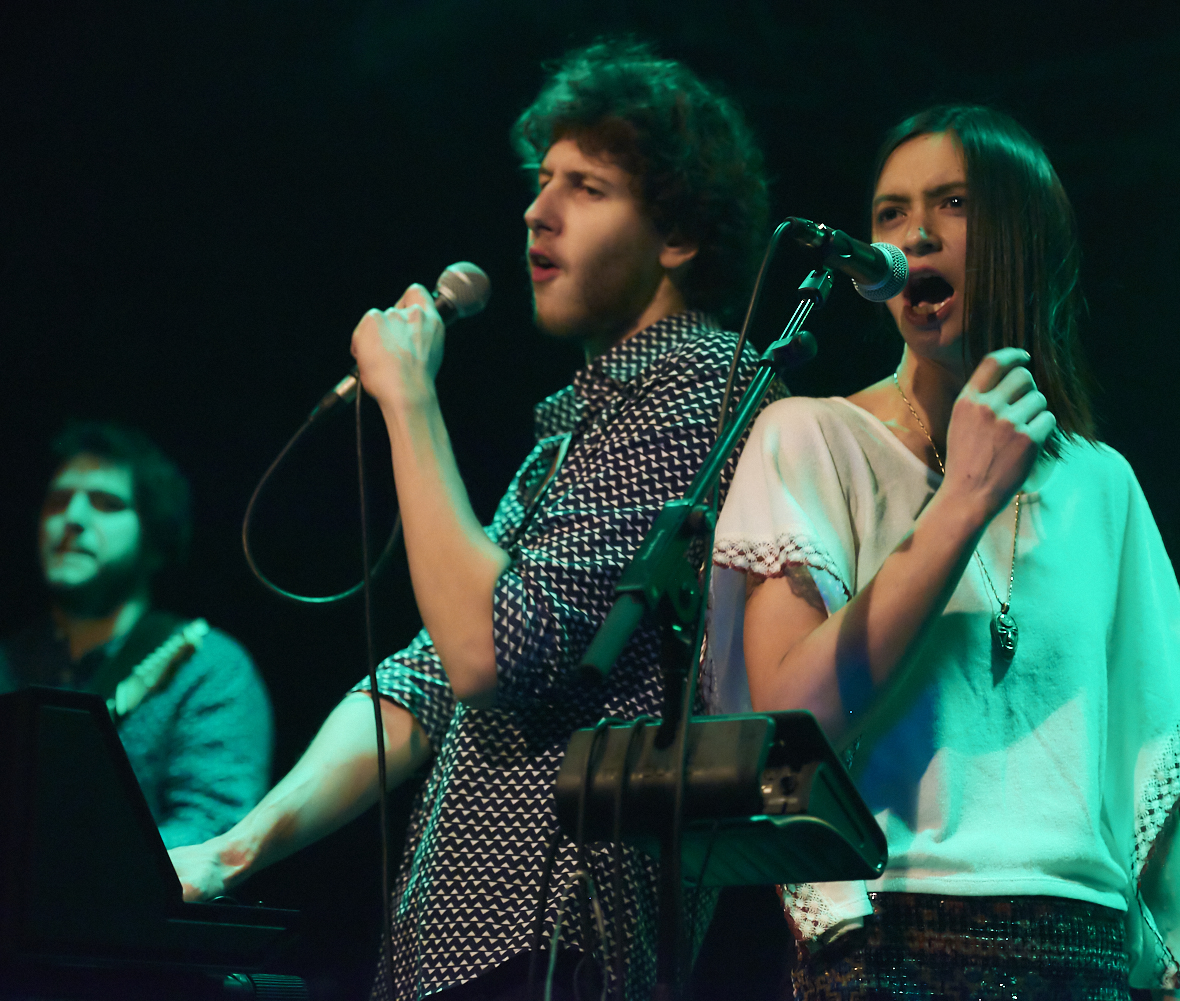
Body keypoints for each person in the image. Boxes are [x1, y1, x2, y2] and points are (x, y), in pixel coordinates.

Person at [169, 38, 770, 1001]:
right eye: (542, 180)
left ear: (680, 235)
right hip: (457, 951)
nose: (538, 210)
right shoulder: (573, 429)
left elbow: (490, 653)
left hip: (557, 946)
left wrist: (410, 400)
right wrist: (232, 851)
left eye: (587, 187)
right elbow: (426, 679)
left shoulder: (703, 386)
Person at [706, 105, 1180, 1001]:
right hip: (890, 943)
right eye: (891, 212)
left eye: (953, 203)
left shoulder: (1103, 485)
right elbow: (790, 725)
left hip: (1086, 950)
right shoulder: (809, 436)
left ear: (1027, 239)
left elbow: (1147, 802)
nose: (915, 234)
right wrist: (964, 500)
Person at [0, 421, 273, 849]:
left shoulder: (206, 667)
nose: (72, 518)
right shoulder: (8, 663)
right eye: (57, 501)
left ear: (154, 538)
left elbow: (212, 827)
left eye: (107, 504)